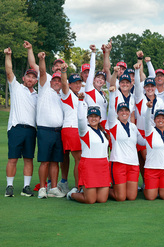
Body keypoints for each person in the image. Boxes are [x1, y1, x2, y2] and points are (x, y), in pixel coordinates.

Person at [4, 47, 38, 197]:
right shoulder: (16, 87)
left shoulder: (38, 95)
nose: (30, 79)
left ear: (36, 80)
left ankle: (26, 187)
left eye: (33, 77)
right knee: (13, 158)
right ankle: (9, 186)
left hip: (31, 130)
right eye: (28, 76)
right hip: (16, 128)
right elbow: (9, 71)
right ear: (24, 78)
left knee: (29, 159)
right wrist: (8, 56)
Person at [67, 93, 110, 204]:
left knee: (101, 199)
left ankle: (85, 190)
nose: (93, 118)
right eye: (91, 116)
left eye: (96, 116)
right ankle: (72, 194)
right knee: (90, 200)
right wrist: (81, 101)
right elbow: (80, 118)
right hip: (89, 165)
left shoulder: (103, 132)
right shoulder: (84, 130)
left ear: (100, 118)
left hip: (103, 166)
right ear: (88, 118)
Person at [35, 52, 65, 199]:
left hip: (58, 131)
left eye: (59, 81)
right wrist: (42, 59)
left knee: (55, 162)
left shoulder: (63, 95)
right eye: (55, 80)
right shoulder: (44, 88)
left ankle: (53, 188)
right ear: (51, 81)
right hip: (44, 130)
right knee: (45, 161)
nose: (57, 82)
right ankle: (42, 188)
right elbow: (41, 71)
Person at [108, 87, 145, 201]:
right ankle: (103, 188)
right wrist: (112, 94)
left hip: (133, 165)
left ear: (129, 113)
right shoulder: (113, 124)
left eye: (126, 110)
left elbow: (142, 142)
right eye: (121, 111)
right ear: (117, 113)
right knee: (121, 197)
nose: (124, 113)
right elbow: (110, 109)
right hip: (119, 163)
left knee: (131, 197)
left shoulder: (133, 127)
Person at [134, 64, 164, 188]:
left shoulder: (160, 101)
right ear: (144, 87)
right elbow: (136, 84)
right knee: (144, 160)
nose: (150, 88)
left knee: (152, 159)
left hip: (155, 133)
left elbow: (162, 119)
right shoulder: (140, 98)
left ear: (155, 87)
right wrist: (137, 71)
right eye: (148, 86)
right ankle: (147, 182)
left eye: (152, 86)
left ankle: (153, 183)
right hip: (141, 133)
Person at [59, 63, 82, 193]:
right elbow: (63, 84)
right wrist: (63, 72)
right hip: (71, 128)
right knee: (79, 158)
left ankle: (69, 183)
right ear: (70, 84)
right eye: (75, 83)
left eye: (79, 82)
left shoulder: (78, 96)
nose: (78, 85)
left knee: (75, 158)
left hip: (74, 128)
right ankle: (79, 187)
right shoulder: (67, 93)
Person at [144, 102, 164, 200]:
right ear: (154, 120)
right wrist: (148, 109)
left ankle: (158, 188)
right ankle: (149, 188)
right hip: (152, 169)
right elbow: (146, 120)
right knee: (151, 197)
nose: (161, 120)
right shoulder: (150, 131)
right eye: (158, 118)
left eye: (163, 118)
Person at [85, 45, 108, 130]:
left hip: (103, 124)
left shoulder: (102, 94)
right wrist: (93, 53)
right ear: (94, 79)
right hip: (92, 124)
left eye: (102, 79)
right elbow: (92, 69)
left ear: (104, 82)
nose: (100, 80)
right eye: (98, 77)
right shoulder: (89, 88)